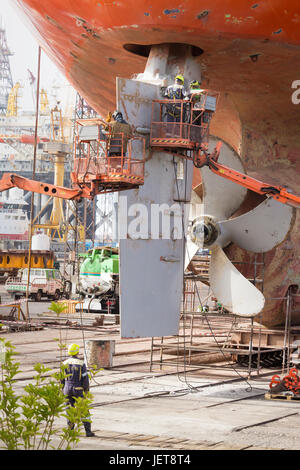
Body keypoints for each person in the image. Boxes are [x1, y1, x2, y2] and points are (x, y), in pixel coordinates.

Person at [61, 343, 95, 437]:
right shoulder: (81, 364)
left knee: (69, 409)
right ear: (77, 352)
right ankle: (88, 431)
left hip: (67, 389)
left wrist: (62, 390)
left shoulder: (64, 363)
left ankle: (70, 431)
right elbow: (85, 379)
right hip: (78, 389)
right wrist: (86, 390)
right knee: (84, 410)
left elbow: (62, 379)